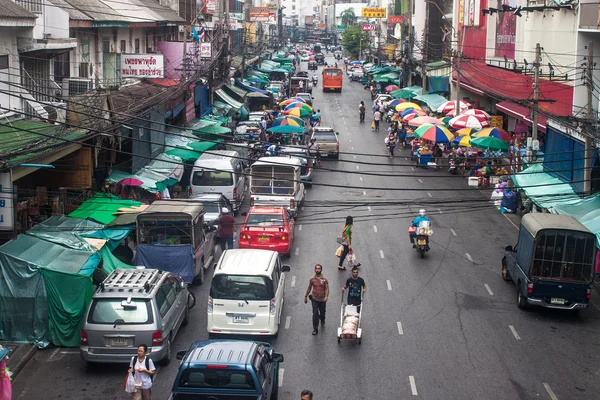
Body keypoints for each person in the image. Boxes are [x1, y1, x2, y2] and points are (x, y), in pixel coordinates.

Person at [304, 264, 329, 335]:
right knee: (315, 313)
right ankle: (315, 329)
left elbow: (327, 288)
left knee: (322, 313)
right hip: (314, 299)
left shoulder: (324, 279)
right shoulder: (312, 279)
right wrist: (305, 296)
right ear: (314, 269)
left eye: (319, 269)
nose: (317, 270)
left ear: (321, 270)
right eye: (316, 269)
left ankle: (322, 320)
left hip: (322, 299)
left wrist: (326, 296)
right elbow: (309, 288)